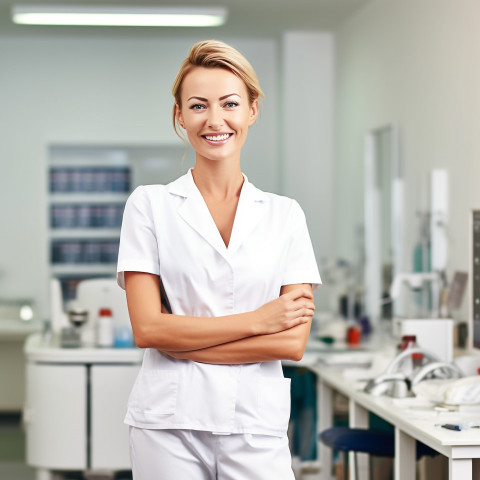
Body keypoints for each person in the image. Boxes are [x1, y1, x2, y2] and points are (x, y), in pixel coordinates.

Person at [117, 39, 321, 480]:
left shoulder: (285, 215)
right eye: (197, 106)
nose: (214, 120)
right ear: (179, 116)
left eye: (229, 103)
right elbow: (147, 328)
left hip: (255, 424)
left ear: (252, 110)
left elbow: (292, 344)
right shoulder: (149, 205)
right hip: (167, 426)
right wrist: (260, 320)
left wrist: (182, 340)